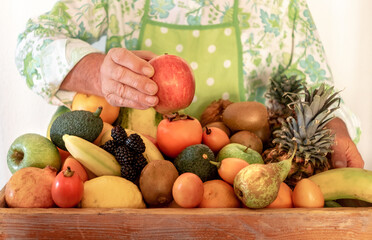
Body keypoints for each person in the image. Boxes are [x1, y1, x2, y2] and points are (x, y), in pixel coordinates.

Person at [15, 0, 364, 168]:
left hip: (243, 187)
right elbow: (31, 43)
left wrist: (333, 129)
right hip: (136, 177)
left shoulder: (281, 6)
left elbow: (315, 90)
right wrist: (97, 72)